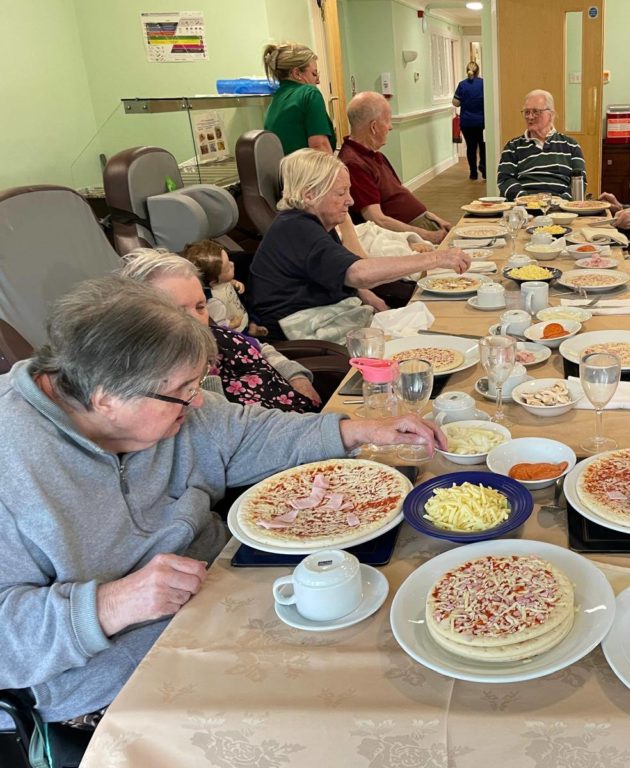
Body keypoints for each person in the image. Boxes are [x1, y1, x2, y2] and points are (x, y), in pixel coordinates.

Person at [0, 277, 444, 725]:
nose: (196, 403)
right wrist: (111, 604)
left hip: (224, 594)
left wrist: (358, 431)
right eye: (184, 392)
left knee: (403, 642)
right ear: (108, 399)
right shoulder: (11, 457)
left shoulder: (157, 399)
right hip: (120, 682)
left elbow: (248, 432)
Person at [250, 149, 470, 338]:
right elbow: (357, 273)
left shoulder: (311, 221)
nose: (351, 200)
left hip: (328, 315)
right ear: (309, 195)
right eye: (341, 193)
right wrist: (436, 258)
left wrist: (367, 296)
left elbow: (338, 272)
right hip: (304, 330)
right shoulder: (298, 228)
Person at [122, 250, 322, 412]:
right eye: (179, 311)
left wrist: (296, 376)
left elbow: (261, 348)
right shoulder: (167, 384)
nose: (197, 320)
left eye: (200, 306)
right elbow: (223, 428)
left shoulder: (217, 332)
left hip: (302, 415)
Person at [339, 92, 453, 245]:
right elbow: (377, 220)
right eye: (387, 121)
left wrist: (436, 219)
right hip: (407, 238)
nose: (391, 127)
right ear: (373, 127)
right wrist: (427, 236)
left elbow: (401, 195)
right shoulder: (353, 164)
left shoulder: (374, 155)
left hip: (423, 226)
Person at [497, 89, 586, 200]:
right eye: (527, 112)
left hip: (561, 206)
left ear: (551, 114)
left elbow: (580, 181)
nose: (530, 117)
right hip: (524, 206)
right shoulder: (512, 147)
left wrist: (561, 201)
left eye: (536, 112)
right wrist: (526, 200)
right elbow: (505, 179)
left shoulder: (571, 145)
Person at [182, 239, 267, 338]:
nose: (232, 264)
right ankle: (250, 334)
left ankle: (252, 326)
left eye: (229, 261)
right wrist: (232, 324)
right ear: (213, 282)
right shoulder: (213, 302)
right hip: (237, 327)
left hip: (238, 309)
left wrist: (234, 282)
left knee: (252, 309)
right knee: (244, 337)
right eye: (227, 269)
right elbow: (218, 325)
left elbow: (224, 282)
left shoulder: (216, 281)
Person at [262, 42, 335, 156]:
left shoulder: (275, 102)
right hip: (307, 167)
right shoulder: (309, 93)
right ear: (297, 73)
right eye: (314, 74)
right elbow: (320, 148)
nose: (318, 81)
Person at [452, 62, 485, 181]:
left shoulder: (462, 85)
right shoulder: (483, 83)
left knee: (471, 147)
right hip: (482, 122)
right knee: (483, 145)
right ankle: (484, 168)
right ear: (478, 71)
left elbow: (455, 103)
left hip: (467, 122)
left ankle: (473, 173)